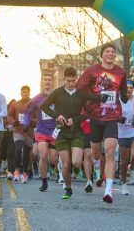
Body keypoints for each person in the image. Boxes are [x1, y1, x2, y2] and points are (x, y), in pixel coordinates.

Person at [76, 42, 127, 203]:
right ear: (102, 55)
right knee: (96, 153)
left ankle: (108, 191)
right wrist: (96, 98)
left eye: (113, 51)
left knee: (111, 151)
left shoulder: (120, 72)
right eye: (107, 51)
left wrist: (124, 95)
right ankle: (97, 163)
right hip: (96, 117)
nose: (110, 54)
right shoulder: (92, 71)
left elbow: (124, 87)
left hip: (112, 116)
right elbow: (79, 90)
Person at [40, 67, 86, 199]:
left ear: (76, 79)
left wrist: (75, 120)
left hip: (76, 132)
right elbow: (43, 106)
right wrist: (57, 116)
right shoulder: (57, 93)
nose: (71, 84)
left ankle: (77, 169)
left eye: (73, 81)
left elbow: (89, 112)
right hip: (61, 133)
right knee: (66, 163)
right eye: (69, 81)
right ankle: (68, 189)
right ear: (64, 79)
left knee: (76, 162)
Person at [24, 74, 58, 189]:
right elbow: (28, 112)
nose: (48, 82)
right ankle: (44, 181)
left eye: (49, 80)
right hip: (41, 130)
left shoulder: (57, 96)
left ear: (52, 82)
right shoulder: (37, 98)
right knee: (43, 155)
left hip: (54, 131)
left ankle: (56, 170)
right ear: (42, 82)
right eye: (45, 80)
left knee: (53, 160)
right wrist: (26, 123)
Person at [118, 79, 134, 195]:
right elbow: (112, 113)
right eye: (126, 88)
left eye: (130, 88)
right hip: (122, 133)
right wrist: (119, 119)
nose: (128, 90)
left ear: (133, 88)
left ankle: (131, 168)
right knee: (123, 160)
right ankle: (123, 184)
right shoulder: (119, 100)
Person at [7, 86, 32, 182]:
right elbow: (9, 115)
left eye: (27, 92)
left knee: (26, 153)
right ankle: (17, 171)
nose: (25, 93)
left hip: (28, 132)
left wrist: (30, 122)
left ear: (29, 93)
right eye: (23, 92)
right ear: (20, 93)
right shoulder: (15, 104)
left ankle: (25, 172)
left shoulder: (33, 104)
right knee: (18, 149)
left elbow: (37, 118)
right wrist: (13, 122)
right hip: (18, 131)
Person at [0, 99, 17, 180]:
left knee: (11, 152)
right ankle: (3, 161)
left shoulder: (16, 112)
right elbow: (0, 119)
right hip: (3, 133)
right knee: (2, 150)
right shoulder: (5, 110)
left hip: (12, 134)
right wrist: (5, 121)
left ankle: (10, 171)